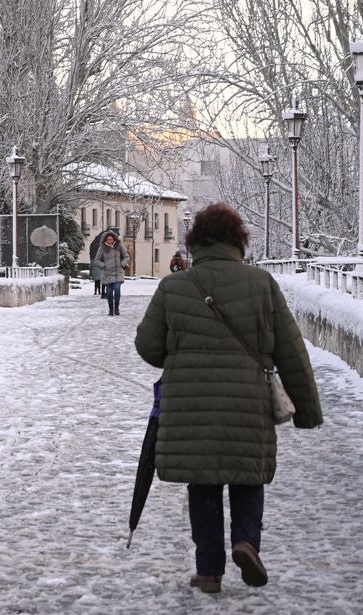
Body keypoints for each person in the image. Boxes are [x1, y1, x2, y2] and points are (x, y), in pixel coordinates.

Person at [134, 202, 321, 594]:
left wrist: (183, 352)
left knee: (203, 484)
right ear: (239, 241)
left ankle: (208, 572)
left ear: (195, 242)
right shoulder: (262, 284)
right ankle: (246, 542)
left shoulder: (174, 286)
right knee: (247, 474)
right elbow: (291, 351)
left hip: (190, 406)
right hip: (247, 402)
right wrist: (307, 411)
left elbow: (149, 349)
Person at [92, 231, 129, 316]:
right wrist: (103, 265)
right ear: (105, 239)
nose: (110, 241)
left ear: (114, 239)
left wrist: (122, 263)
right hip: (107, 274)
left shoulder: (119, 246)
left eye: (111, 239)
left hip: (118, 273)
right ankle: (110, 309)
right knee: (109, 292)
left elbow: (126, 256)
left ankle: (116, 308)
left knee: (117, 289)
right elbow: (96, 260)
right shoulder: (102, 248)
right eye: (108, 239)